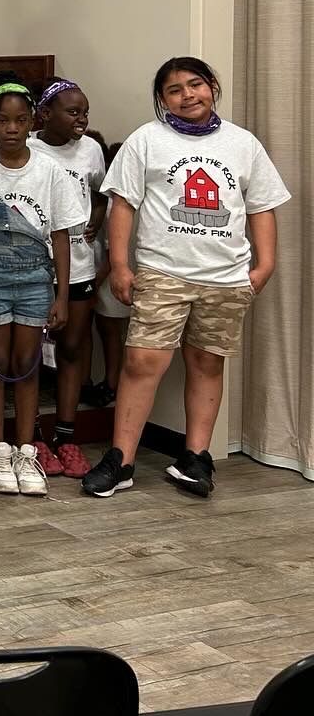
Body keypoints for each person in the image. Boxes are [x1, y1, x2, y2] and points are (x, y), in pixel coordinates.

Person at [83, 58, 288, 499]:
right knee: (141, 362)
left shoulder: (243, 143)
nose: (188, 94)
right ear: (162, 100)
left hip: (226, 277)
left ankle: (196, 458)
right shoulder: (147, 140)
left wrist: (264, 266)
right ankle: (121, 460)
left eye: (196, 84)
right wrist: (120, 265)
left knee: (206, 361)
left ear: (212, 87)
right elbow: (123, 205)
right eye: (174, 90)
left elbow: (262, 207)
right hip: (162, 272)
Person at [0, 80, 83, 497]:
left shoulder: (49, 171)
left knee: (26, 364)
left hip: (35, 277)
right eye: (3, 120)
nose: (11, 128)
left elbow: (60, 234)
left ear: (32, 122)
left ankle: (27, 449)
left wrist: (61, 293)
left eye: (20, 120)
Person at [27, 78, 106, 479]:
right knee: (33, 354)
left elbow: (102, 192)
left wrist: (97, 218)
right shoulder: (27, 150)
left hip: (79, 264)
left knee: (73, 348)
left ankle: (66, 435)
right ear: (44, 115)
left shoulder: (91, 149)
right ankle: (35, 435)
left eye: (85, 111)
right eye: (73, 112)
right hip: (33, 270)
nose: (82, 119)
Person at [89, 137, 128, 409]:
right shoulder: (104, 198)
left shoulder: (117, 202)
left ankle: (112, 383)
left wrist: (96, 280)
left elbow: (114, 248)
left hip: (108, 274)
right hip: (102, 272)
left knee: (110, 330)